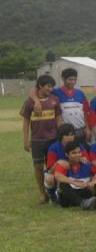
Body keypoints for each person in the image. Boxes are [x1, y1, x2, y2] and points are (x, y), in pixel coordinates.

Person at [21, 74, 62, 204]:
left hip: (53, 139)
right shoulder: (29, 102)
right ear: (40, 86)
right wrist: (26, 140)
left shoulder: (55, 100)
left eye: (52, 86)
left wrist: (60, 136)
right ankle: (42, 193)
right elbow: (26, 121)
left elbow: (58, 118)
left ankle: (54, 190)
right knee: (38, 167)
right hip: (37, 140)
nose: (51, 89)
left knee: (54, 166)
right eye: (48, 86)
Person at [52, 141, 96, 210]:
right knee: (63, 184)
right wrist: (75, 183)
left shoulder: (86, 164)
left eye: (79, 152)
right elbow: (57, 175)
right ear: (67, 154)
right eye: (74, 153)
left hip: (84, 192)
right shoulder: (65, 164)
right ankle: (82, 203)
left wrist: (94, 181)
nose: (78, 155)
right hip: (69, 196)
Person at [50, 68, 92, 146]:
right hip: (66, 133)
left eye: (74, 80)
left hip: (81, 130)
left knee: (82, 154)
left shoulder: (80, 93)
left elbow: (86, 112)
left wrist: (87, 128)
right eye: (70, 79)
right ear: (63, 78)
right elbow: (36, 90)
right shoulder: (55, 92)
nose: (72, 82)